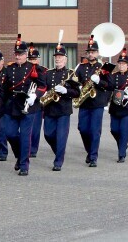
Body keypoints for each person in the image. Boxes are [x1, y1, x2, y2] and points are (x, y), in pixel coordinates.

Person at [0, 35, 45, 175]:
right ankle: (19, 156)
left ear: (26, 55)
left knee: (25, 136)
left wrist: (35, 95)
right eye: (16, 54)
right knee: (10, 134)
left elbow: (43, 86)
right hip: (12, 106)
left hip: (28, 106)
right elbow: (4, 88)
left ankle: (24, 165)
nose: (18, 57)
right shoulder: (9, 68)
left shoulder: (34, 68)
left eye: (20, 54)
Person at [41, 43, 80, 171]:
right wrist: (44, 93)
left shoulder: (71, 74)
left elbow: (77, 93)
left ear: (65, 59)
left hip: (63, 110)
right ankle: (59, 151)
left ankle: (58, 161)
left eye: (60, 57)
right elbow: (42, 88)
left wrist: (65, 91)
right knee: (48, 134)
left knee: (61, 136)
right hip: (50, 109)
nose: (58, 59)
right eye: (56, 57)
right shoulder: (48, 73)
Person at [75, 35, 112, 167]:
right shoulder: (81, 67)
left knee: (95, 130)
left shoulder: (104, 67)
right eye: (89, 52)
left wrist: (100, 82)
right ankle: (89, 150)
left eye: (93, 52)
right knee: (83, 129)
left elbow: (110, 85)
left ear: (97, 53)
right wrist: (78, 86)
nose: (90, 54)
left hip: (97, 103)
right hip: (84, 102)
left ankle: (93, 157)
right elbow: (75, 80)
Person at [106, 48, 128, 163]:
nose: (121, 66)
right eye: (120, 63)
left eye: (123, 64)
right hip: (115, 107)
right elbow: (109, 88)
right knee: (114, 130)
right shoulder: (114, 75)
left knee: (124, 131)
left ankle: (122, 154)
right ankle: (123, 144)